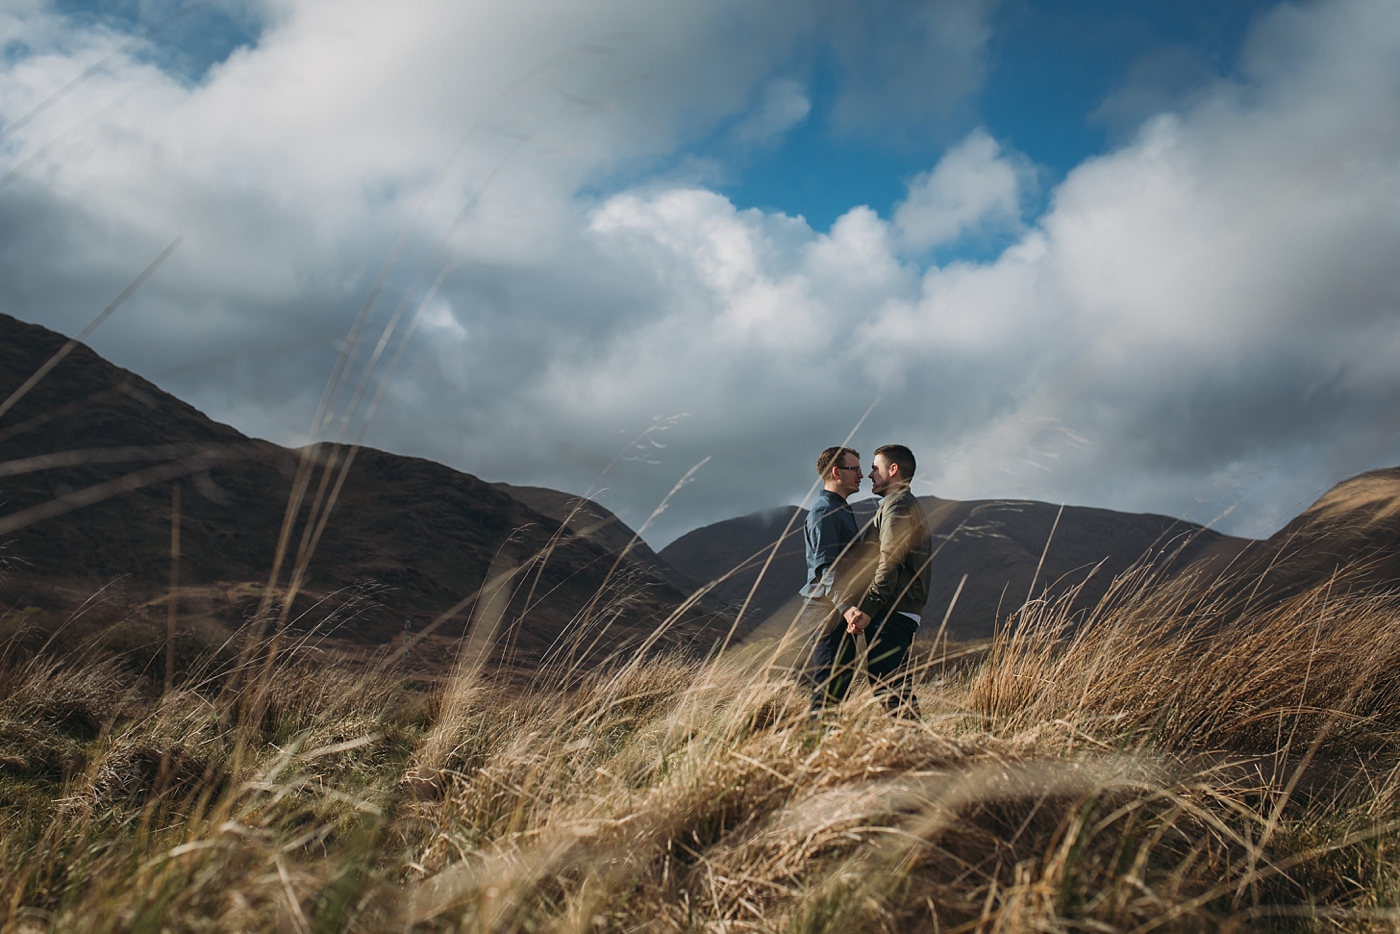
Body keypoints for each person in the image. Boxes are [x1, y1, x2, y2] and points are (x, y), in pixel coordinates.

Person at [842, 444, 931, 717]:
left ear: (893, 471)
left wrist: (868, 610)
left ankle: (918, 750)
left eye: (874, 468)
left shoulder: (898, 506)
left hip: (892, 610)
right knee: (890, 685)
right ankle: (917, 749)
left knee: (889, 686)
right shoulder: (899, 505)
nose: (869, 475)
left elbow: (890, 562)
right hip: (896, 608)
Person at [800, 446, 866, 712]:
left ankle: (826, 747)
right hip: (827, 612)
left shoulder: (841, 509)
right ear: (837, 472)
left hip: (839, 610)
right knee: (828, 690)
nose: (862, 475)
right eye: (856, 469)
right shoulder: (823, 511)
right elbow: (825, 568)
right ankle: (812, 748)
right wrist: (847, 608)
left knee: (839, 688)